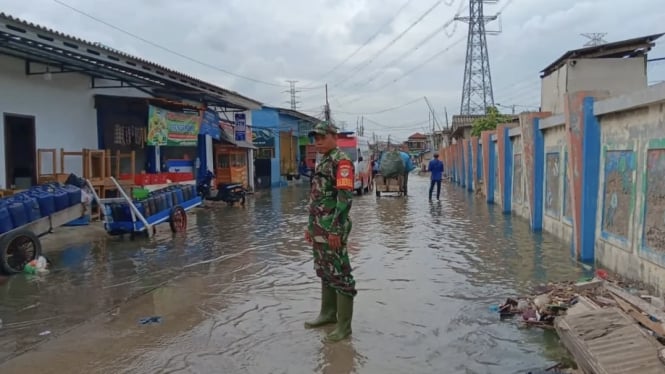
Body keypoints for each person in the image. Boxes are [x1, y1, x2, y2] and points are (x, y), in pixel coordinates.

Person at [304, 121, 356, 342]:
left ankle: (344, 327)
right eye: (315, 139)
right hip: (319, 228)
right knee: (324, 270)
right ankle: (327, 314)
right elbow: (316, 198)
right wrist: (309, 226)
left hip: (333, 229)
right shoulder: (323, 161)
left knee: (341, 274)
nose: (318, 142)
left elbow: (344, 200)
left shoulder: (341, 162)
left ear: (334, 137)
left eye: (322, 137)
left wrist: (335, 230)